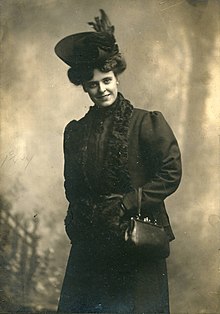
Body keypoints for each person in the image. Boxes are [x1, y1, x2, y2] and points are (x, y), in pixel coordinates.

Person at [55, 9, 182, 314]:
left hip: (134, 240)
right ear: (84, 87)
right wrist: (82, 214)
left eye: (107, 80)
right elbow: (72, 186)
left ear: (116, 76)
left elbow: (171, 171)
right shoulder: (76, 131)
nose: (102, 90)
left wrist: (129, 202)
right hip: (91, 243)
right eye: (93, 85)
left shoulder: (144, 123)